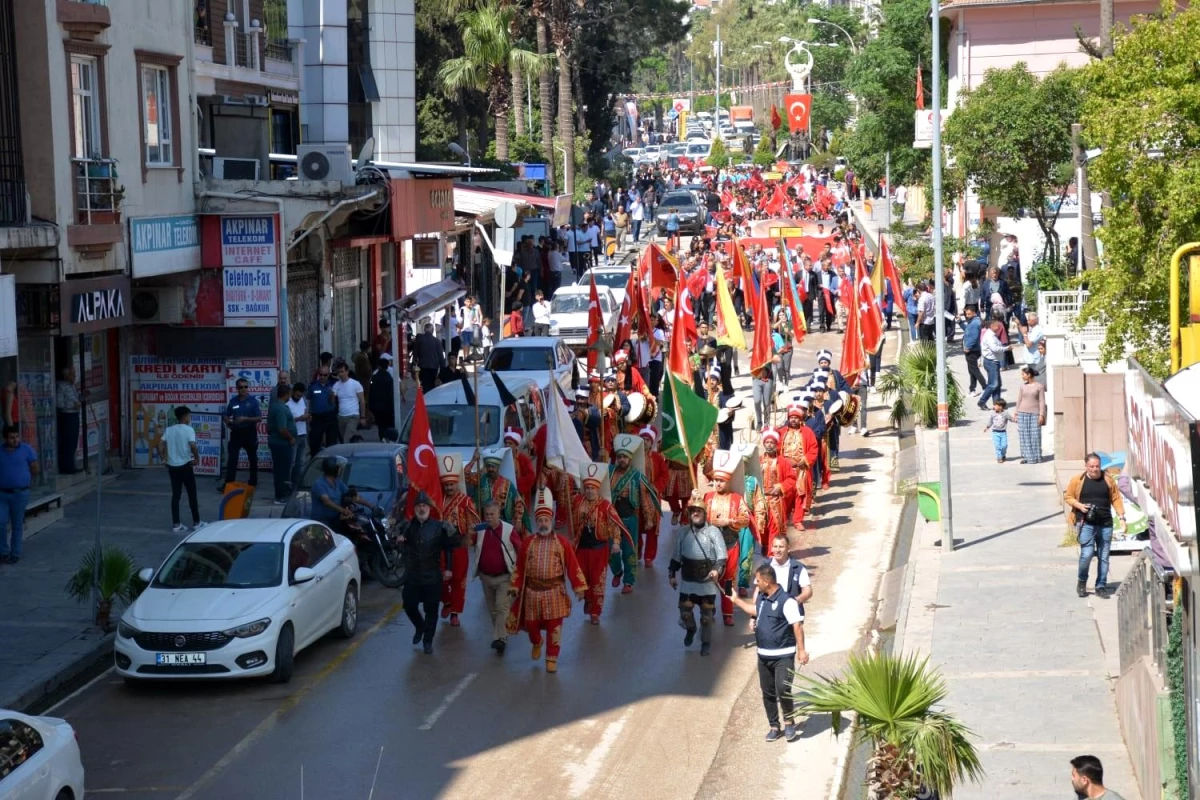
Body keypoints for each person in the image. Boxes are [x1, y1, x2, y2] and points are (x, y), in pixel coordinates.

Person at [506, 489, 588, 673]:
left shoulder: (562, 543)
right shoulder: (528, 543)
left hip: (554, 593)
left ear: (551, 521)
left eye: (546, 520)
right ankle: (537, 642)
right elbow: (519, 567)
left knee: (554, 628)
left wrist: (579, 587)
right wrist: (515, 586)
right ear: (536, 522)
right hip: (532, 594)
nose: (543, 524)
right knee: (531, 626)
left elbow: (572, 566)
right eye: (540, 520)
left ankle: (552, 658)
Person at [726, 564, 810, 743]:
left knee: (783, 688)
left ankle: (789, 723)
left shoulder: (787, 602)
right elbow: (754, 611)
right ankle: (774, 726)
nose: (756, 585)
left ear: (767, 581)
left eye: (757, 581)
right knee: (768, 692)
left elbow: (797, 625)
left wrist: (801, 650)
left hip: (783, 655)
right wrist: (735, 600)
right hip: (763, 655)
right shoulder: (763, 599)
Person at [397, 492, 462, 654]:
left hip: (432, 576)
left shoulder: (439, 527)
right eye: (418, 506)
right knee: (409, 605)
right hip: (413, 575)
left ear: (429, 508)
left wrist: (448, 568)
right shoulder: (406, 527)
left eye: (424, 506)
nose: (421, 509)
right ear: (414, 508)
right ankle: (420, 627)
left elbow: (450, 547)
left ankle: (428, 641)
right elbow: (396, 547)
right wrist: (397, 541)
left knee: (431, 610)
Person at [571, 463, 631, 624]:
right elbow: (567, 509)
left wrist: (616, 543)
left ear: (598, 489)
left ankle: (595, 612)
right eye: (587, 488)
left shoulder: (606, 506)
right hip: (582, 548)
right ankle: (588, 599)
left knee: (598, 581)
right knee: (582, 579)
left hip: (599, 549)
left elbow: (615, 526)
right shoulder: (577, 502)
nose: (590, 491)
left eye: (593, 488)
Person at [669, 491, 727, 656]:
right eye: (693, 511)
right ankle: (691, 629)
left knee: (706, 617)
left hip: (706, 581)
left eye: (699, 511)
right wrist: (672, 575)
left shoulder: (714, 532)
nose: (695, 513)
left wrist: (717, 570)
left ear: (704, 513)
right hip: (688, 580)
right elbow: (676, 556)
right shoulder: (683, 532)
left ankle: (706, 642)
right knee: (685, 613)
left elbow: (721, 556)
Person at [1064, 454, 1127, 599]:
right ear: (1086, 466)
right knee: (1086, 555)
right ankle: (1082, 582)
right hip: (1086, 523)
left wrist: (1122, 516)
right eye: (1091, 466)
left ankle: (1101, 586)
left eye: (1097, 466)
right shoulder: (1077, 480)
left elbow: (1116, 498)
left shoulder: (1108, 479)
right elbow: (1068, 496)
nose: (1095, 469)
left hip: (1105, 524)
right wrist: (1079, 505)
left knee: (1103, 557)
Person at [704, 451, 752, 627]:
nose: (718, 484)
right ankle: (709, 608)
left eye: (721, 481)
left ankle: (727, 612)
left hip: (730, 545)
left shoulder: (736, 499)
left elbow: (746, 519)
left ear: (729, 481)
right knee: (709, 579)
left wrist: (729, 521)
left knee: (728, 580)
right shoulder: (707, 498)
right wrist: (694, 501)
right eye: (715, 480)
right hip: (710, 547)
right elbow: (695, 517)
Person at [608, 436, 661, 594]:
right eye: (619, 457)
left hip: (630, 518)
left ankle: (628, 581)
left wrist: (649, 518)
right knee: (612, 550)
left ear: (630, 458)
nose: (622, 460)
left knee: (629, 550)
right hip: (613, 518)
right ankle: (617, 572)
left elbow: (644, 499)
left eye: (625, 457)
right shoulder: (610, 473)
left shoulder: (638, 476)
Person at [474, 500, 522, 654]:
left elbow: (520, 548)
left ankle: (499, 639)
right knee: (493, 610)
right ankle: (502, 634)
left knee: (502, 607)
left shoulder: (508, 530)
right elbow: (468, 543)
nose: (488, 517)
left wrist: (521, 571)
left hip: (504, 577)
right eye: (486, 514)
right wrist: (467, 533)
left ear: (498, 513)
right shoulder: (480, 529)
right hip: (486, 578)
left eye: (492, 514)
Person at [440, 455, 480, 628]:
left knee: (458, 580)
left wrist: (469, 538)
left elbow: (474, 522)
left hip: (458, 545)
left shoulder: (465, 501)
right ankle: (446, 602)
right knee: (440, 578)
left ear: (457, 484)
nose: (449, 487)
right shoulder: (438, 500)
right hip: (441, 546)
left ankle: (455, 612)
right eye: (447, 485)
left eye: (451, 484)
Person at [159, 406, 201, 533]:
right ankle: (197, 522)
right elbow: (193, 446)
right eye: (189, 415)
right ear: (185, 416)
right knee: (192, 494)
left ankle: (176, 524)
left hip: (172, 467)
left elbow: (160, 443)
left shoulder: (169, 430)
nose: (189, 418)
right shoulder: (189, 430)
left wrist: (163, 459)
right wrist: (197, 458)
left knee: (176, 495)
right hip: (186, 465)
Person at [0, 425, 37, 564]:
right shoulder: (0, 452)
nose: (15, 440)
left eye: (16, 436)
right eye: (11, 438)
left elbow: (34, 467)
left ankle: (15, 552)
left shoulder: (26, 449)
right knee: (1, 522)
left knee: (17, 524)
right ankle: (3, 551)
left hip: (20, 493)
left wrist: (26, 481)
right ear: (5, 438)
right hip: (2, 494)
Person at [755, 430, 797, 553]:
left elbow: (792, 478)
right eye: (767, 442)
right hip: (760, 500)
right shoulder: (758, 461)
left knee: (775, 527)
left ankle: (772, 555)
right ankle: (764, 548)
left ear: (776, 444)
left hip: (775, 500)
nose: (769, 445)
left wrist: (781, 486)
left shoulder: (782, 461)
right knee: (761, 527)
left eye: (772, 442)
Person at [778, 403, 818, 530]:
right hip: (785, 470)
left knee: (799, 495)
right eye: (791, 417)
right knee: (784, 494)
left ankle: (798, 520)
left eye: (796, 417)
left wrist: (804, 460)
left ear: (800, 419)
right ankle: (783, 519)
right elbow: (776, 448)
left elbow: (813, 449)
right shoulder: (782, 432)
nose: (793, 420)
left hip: (801, 470)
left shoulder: (807, 432)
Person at [222, 378, 261, 490]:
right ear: (237, 388)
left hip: (249, 432)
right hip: (236, 433)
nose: (243, 389)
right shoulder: (233, 401)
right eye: (241, 387)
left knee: (252, 458)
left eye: (245, 387)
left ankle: (253, 482)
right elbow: (226, 414)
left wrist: (245, 419)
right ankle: (228, 484)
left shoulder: (253, 401)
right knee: (233, 458)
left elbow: (259, 418)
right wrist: (227, 422)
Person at [266, 384, 297, 505]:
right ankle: (281, 495)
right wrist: (291, 439)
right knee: (282, 471)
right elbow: (282, 429)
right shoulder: (280, 408)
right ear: (286, 394)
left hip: (278, 443)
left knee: (281, 470)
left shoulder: (276, 406)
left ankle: (281, 493)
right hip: (281, 444)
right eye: (289, 394)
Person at [766, 533, 813, 605]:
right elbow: (757, 590)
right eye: (775, 546)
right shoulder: (765, 566)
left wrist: (796, 600)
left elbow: (808, 590)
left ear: (788, 549)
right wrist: (754, 614)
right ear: (771, 548)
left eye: (781, 547)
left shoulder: (798, 567)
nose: (778, 550)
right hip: (769, 610)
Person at [1013, 365, 1046, 464]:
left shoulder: (1039, 386)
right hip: (1022, 413)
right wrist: (1016, 413)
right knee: (1024, 435)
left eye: (1023, 374)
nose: (1022, 376)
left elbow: (1042, 402)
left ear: (1029, 374)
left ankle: (1037, 457)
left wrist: (1041, 415)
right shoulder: (1022, 386)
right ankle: (1027, 457)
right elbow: (1019, 400)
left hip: (1035, 413)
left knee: (1035, 435)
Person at [306, 366, 338, 456]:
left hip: (330, 416)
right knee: (315, 441)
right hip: (317, 417)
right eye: (321, 375)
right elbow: (308, 400)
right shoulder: (313, 385)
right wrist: (307, 413)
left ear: (329, 375)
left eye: (325, 375)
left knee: (332, 442)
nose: (323, 377)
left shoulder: (334, 385)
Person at [55, 365, 82, 474]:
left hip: (74, 415)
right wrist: (72, 405)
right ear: (66, 376)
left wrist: (82, 397)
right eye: (72, 375)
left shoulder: (72, 386)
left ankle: (71, 465)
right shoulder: (61, 386)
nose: (74, 377)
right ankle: (66, 467)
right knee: (68, 441)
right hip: (67, 416)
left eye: (75, 375)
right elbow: (59, 403)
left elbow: (76, 398)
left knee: (74, 441)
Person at [978, 319, 1009, 409]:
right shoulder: (990, 336)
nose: (998, 327)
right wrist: (1006, 348)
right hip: (991, 362)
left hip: (994, 361)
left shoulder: (992, 335)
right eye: (996, 325)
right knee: (993, 384)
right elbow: (995, 348)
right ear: (991, 326)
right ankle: (982, 401)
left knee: (997, 384)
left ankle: (997, 403)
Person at [332, 363, 365, 442]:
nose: (340, 374)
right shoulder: (336, 385)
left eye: (342, 371)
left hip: (353, 416)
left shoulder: (356, 384)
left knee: (347, 439)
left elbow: (362, 401)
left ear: (347, 372)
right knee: (344, 439)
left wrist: (363, 417)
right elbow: (332, 400)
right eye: (339, 372)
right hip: (341, 417)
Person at [287, 382, 310, 491]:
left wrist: (307, 417)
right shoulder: (287, 403)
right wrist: (299, 418)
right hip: (293, 435)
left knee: (300, 462)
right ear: (293, 392)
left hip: (303, 434)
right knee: (291, 462)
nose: (298, 398)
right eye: (297, 395)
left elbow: (306, 412)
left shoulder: (303, 401)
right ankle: (288, 484)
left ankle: (297, 485)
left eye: (300, 396)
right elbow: (287, 421)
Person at [957, 306, 985, 396]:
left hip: (972, 350)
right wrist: (960, 322)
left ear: (974, 313)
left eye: (969, 314)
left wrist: (968, 347)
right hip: (970, 350)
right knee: (971, 370)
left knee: (974, 370)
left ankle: (985, 386)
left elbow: (974, 337)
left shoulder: (975, 322)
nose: (967, 316)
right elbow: (967, 330)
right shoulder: (972, 322)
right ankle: (972, 389)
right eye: (966, 314)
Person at [413, 323, 446, 392]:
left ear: (424, 330)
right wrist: (443, 368)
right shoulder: (436, 341)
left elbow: (415, 355)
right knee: (432, 385)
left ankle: (425, 398)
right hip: (434, 367)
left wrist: (414, 366)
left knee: (424, 385)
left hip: (423, 367)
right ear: (432, 330)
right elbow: (440, 355)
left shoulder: (419, 340)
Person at [368, 356, 396, 435]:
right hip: (388, 406)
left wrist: (370, 407)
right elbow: (391, 393)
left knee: (380, 425)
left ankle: (382, 437)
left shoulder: (374, 378)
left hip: (377, 406)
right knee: (388, 424)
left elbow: (371, 392)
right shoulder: (389, 378)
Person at [983, 398, 1012, 464]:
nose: (994, 407)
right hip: (995, 432)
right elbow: (990, 422)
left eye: (995, 405)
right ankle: (999, 457)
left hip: (1003, 433)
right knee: (997, 446)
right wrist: (987, 427)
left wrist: (1016, 420)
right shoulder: (993, 415)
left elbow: (1011, 419)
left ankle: (1003, 454)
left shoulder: (1005, 414)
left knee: (1004, 446)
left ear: (1000, 407)